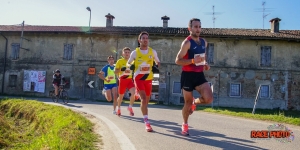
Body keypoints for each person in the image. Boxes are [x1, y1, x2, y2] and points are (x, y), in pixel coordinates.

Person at [175, 18, 213, 136]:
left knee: (208, 98)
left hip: (199, 75)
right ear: (190, 28)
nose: (198, 29)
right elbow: (177, 60)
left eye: (199, 27)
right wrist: (192, 60)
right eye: (195, 27)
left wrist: (205, 64)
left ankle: (194, 102)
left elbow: (203, 56)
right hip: (187, 76)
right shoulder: (187, 43)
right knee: (187, 103)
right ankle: (185, 124)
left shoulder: (204, 42)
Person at [127, 31, 160, 132]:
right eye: (143, 38)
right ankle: (146, 122)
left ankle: (139, 97)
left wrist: (156, 66)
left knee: (146, 101)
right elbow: (128, 63)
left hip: (149, 78)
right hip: (139, 78)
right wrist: (131, 66)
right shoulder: (135, 52)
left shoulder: (152, 52)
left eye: (147, 38)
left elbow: (158, 62)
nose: (145, 40)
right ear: (139, 40)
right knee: (144, 99)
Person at [114, 47, 136, 116]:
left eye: (128, 52)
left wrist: (134, 68)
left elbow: (137, 69)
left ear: (130, 54)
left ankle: (130, 107)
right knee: (120, 97)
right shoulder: (119, 61)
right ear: (123, 54)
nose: (127, 54)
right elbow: (115, 71)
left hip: (129, 80)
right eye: (125, 52)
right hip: (122, 80)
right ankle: (119, 109)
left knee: (133, 93)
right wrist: (121, 69)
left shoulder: (133, 61)